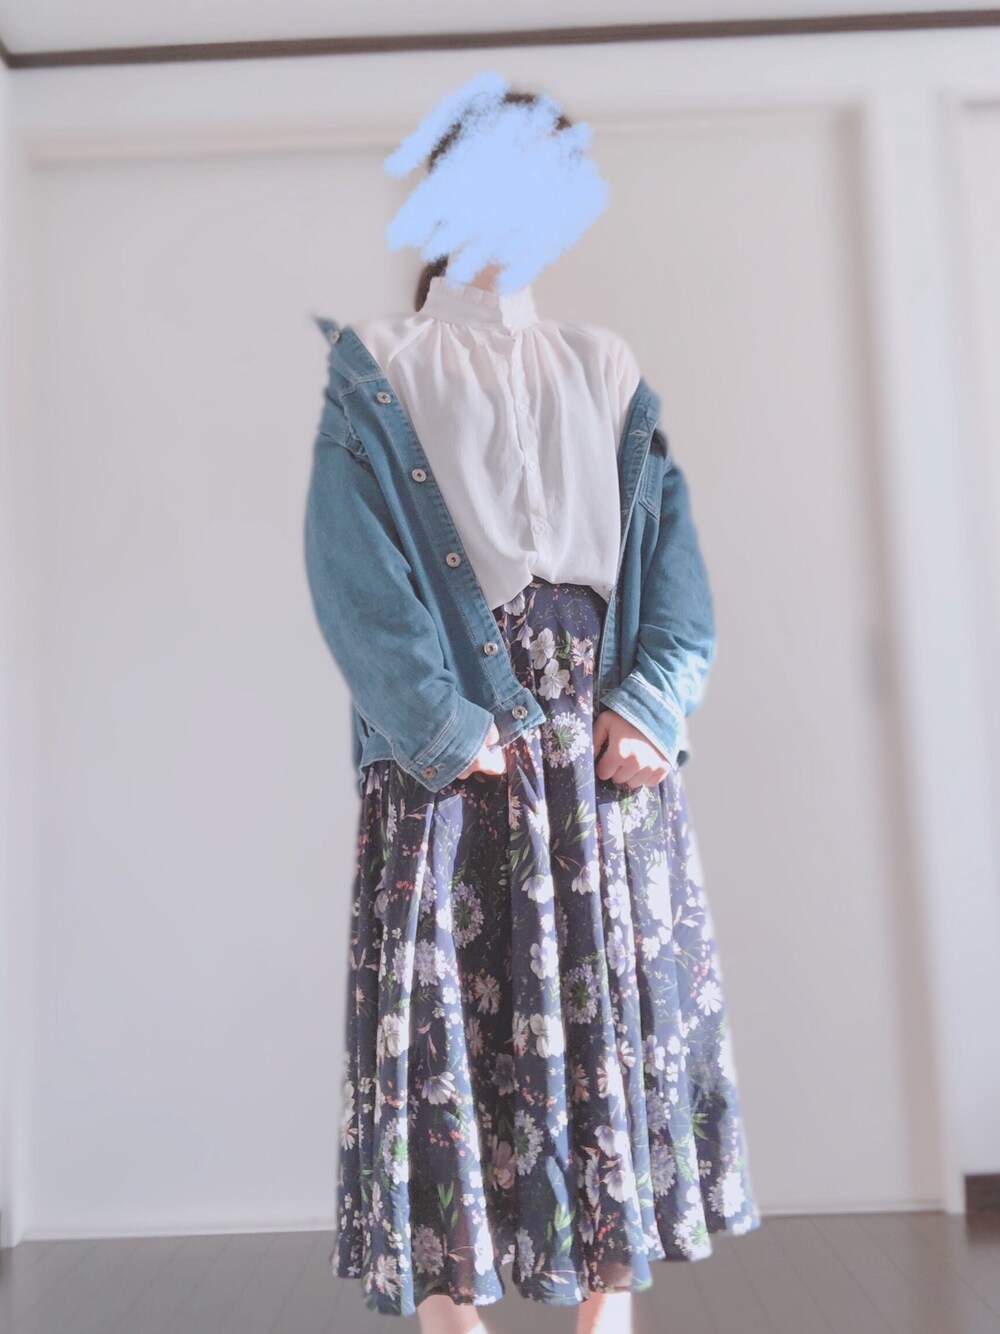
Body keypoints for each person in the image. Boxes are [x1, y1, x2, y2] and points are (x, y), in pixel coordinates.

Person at [303, 86, 761, 1332]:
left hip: (600, 755)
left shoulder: (602, 364)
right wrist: (446, 729)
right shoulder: (380, 368)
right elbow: (353, 575)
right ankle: (453, 1314)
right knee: (449, 1029)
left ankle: (604, 1309)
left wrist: (653, 703)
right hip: (456, 760)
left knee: (611, 1013)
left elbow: (672, 566)